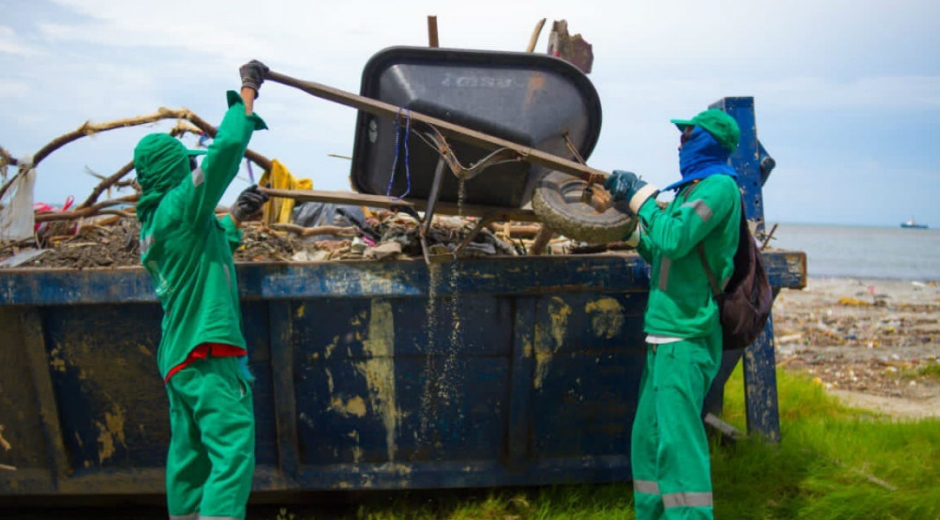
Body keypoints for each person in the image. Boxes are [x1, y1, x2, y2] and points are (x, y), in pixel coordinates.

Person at [134, 59, 271, 520]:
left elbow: (198, 251)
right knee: (231, 454)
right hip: (208, 351)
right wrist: (248, 91)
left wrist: (234, 217)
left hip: (178, 360)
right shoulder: (181, 203)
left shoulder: (153, 227)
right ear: (175, 171)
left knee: (190, 462)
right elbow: (229, 144)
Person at [605, 108, 742, 520]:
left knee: (679, 447)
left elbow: (675, 237)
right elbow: (663, 249)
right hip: (663, 333)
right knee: (648, 441)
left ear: (706, 142)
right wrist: (630, 230)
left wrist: (642, 197)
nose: (679, 144)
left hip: (687, 336)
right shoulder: (689, 191)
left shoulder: (719, 188)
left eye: (687, 137)